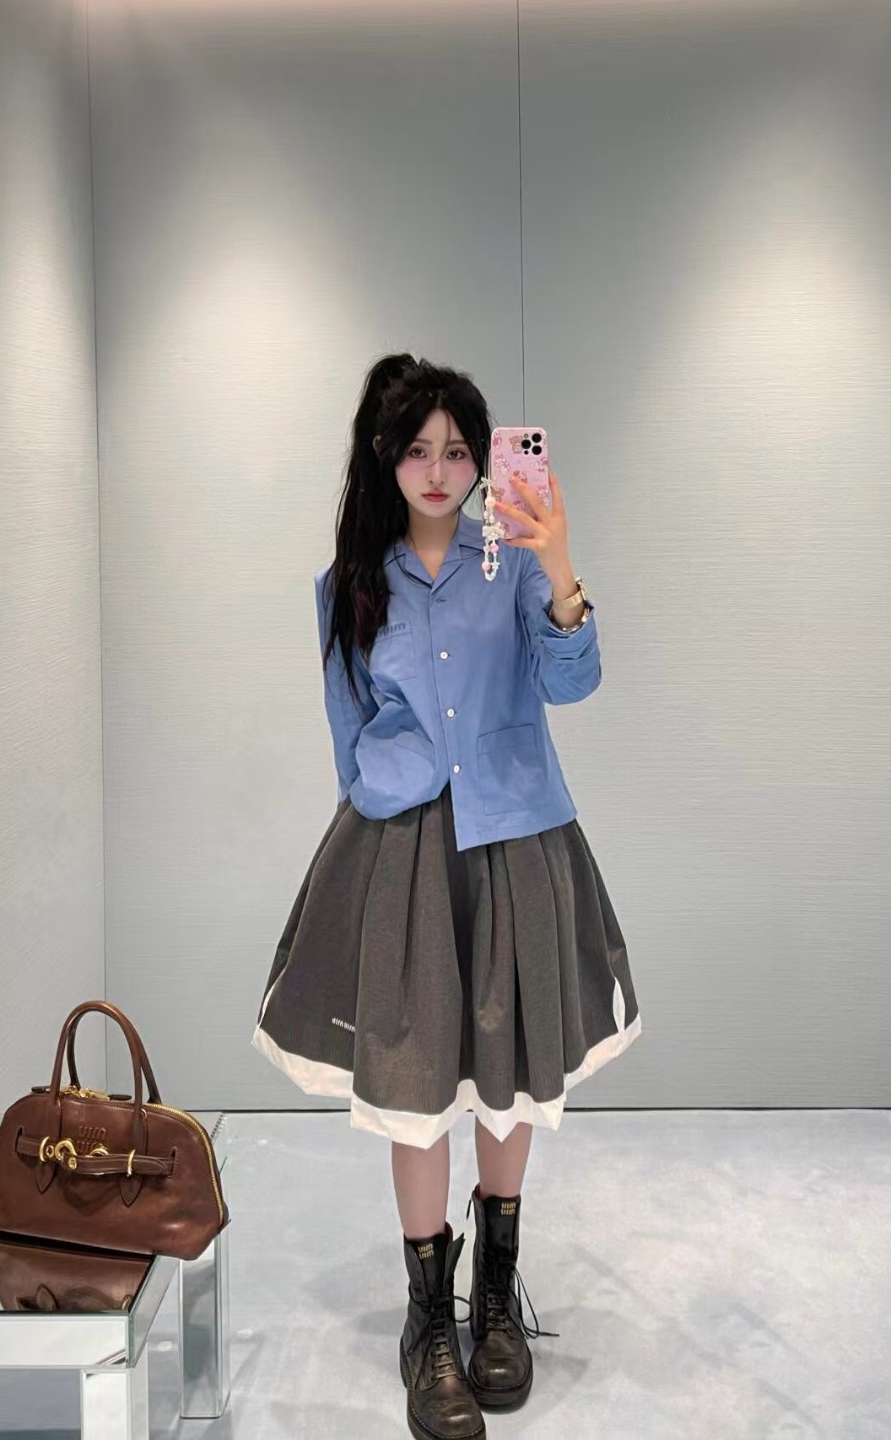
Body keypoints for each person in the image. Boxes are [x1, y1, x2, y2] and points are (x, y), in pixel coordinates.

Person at [252, 354, 642, 1440]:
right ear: (386, 458)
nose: (440, 470)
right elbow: (348, 737)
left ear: (483, 462)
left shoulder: (510, 566)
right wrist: (390, 820)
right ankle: (431, 1326)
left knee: (509, 1081)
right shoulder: (349, 585)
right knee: (416, 1085)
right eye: (419, 450)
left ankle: (494, 1299)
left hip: (515, 843)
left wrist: (559, 564)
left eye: (459, 451)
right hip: (406, 851)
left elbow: (573, 683)